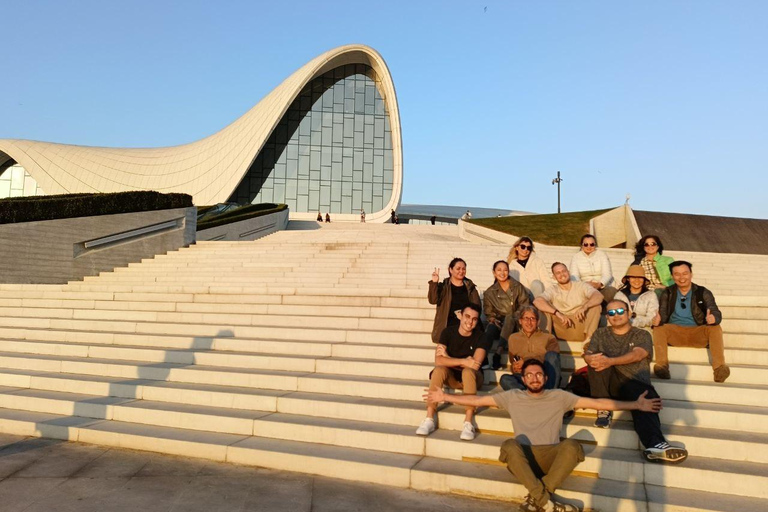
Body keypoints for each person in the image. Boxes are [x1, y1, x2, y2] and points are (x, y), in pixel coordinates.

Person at [425, 358, 667, 512]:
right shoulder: (511, 397)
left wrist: (636, 405)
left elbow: (596, 403)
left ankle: (538, 498)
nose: (534, 378)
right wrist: (444, 397)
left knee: (572, 446)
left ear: (546, 378)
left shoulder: (559, 396)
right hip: (524, 459)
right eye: (529, 375)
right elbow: (477, 399)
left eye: (539, 374)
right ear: (523, 378)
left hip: (551, 457)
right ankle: (546, 502)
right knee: (509, 445)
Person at [585, 300, 688, 464]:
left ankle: (656, 445)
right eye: (611, 313)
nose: (616, 316)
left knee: (648, 399)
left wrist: (610, 361)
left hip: (633, 381)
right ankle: (603, 410)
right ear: (607, 317)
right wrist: (589, 358)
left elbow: (638, 354)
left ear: (629, 313)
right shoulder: (600, 334)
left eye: (619, 311)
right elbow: (588, 353)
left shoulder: (642, 334)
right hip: (608, 381)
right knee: (596, 363)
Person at [416, 304, 488, 441]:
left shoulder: (481, 337)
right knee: (439, 370)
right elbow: (438, 360)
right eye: (467, 316)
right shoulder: (447, 332)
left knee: (467, 371)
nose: (470, 321)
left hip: (473, 378)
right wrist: (462, 361)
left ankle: (468, 422)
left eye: (474, 319)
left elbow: (475, 364)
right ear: (460, 315)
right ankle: (429, 417)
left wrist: (448, 358)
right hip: (453, 378)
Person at [651, 260, 730, 383]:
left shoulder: (703, 292)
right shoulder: (668, 292)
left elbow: (715, 310)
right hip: (675, 332)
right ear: (672, 276)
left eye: (685, 273)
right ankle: (662, 367)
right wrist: (657, 321)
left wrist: (714, 318)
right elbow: (662, 313)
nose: (681, 277)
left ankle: (719, 368)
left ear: (691, 274)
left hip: (697, 332)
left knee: (715, 328)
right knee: (659, 328)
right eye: (677, 274)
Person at [533, 263, 602, 344]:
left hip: (581, 324)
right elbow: (537, 301)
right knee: (544, 308)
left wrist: (585, 307)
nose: (562, 274)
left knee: (596, 306)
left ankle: (588, 342)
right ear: (554, 277)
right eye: (558, 273)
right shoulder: (553, 290)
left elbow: (598, 296)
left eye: (564, 271)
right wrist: (558, 313)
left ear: (568, 272)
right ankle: (545, 342)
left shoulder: (581, 285)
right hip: (563, 325)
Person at [500, 306, 561, 391]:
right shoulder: (513, 338)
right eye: (526, 318)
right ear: (520, 321)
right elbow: (513, 362)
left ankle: (548, 394)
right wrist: (515, 367)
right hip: (525, 377)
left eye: (533, 318)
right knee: (505, 379)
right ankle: (527, 397)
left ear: (538, 322)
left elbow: (553, 360)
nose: (529, 322)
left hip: (543, 377)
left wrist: (526, 361)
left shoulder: (549, 337)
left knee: (552, 355)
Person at [483, 260, 530, 369]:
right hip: (499, 322)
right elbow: (488, 311)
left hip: (516, 323)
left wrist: (516, 316)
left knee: (509, 318)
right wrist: (493, 319)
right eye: (499, 270)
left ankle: (498, 354)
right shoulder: (489, 292)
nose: (502, 273)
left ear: (508, 271)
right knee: (490, 328)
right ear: (494, 273)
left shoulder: (518, 287)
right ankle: (483, 356)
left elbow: (525, 305)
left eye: (505, 270)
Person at [427, 257, 481, 344]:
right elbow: (433, 300)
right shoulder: (444, 287)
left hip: (467, 322)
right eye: (458, 268)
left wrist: (465, 316)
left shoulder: (470, 287)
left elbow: (477, 307)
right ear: (451, 270)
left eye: (463, 269)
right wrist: (434, 283)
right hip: (448, 322)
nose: (461, 271)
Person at [569, 234, 616, 305]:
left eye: (591, 244)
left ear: (595, 245)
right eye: (586, 244)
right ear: (582, 245)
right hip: (584, 288)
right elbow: (574, 276)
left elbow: (607, 274)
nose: (589, 247)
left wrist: (599, 284)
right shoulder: (576, 257)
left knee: (612, 291)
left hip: (601, 286)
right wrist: (585, 285)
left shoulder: (602, 255)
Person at [613, 265, 659, 332]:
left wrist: (631, 321)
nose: (637, 281)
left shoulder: (651, 295)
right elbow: (615, 316)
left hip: (644, 331)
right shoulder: (619, 295)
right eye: (633, 277)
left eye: (640, 278)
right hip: (621, 330)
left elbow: (652, 318)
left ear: (644, 280)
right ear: (628, 279)